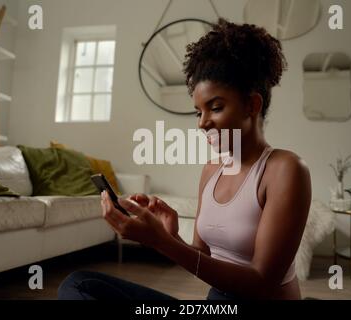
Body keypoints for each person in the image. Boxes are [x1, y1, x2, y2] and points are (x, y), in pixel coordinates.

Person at [58, 18, 311, 300]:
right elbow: (202, 258)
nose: (202, 123)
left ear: (252, 105)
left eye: (215, 108)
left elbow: (261, 280)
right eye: (198, 112)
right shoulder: (212, 170)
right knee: (79, 284)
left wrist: (163, 243)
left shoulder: (285, 169)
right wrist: (171, 237)